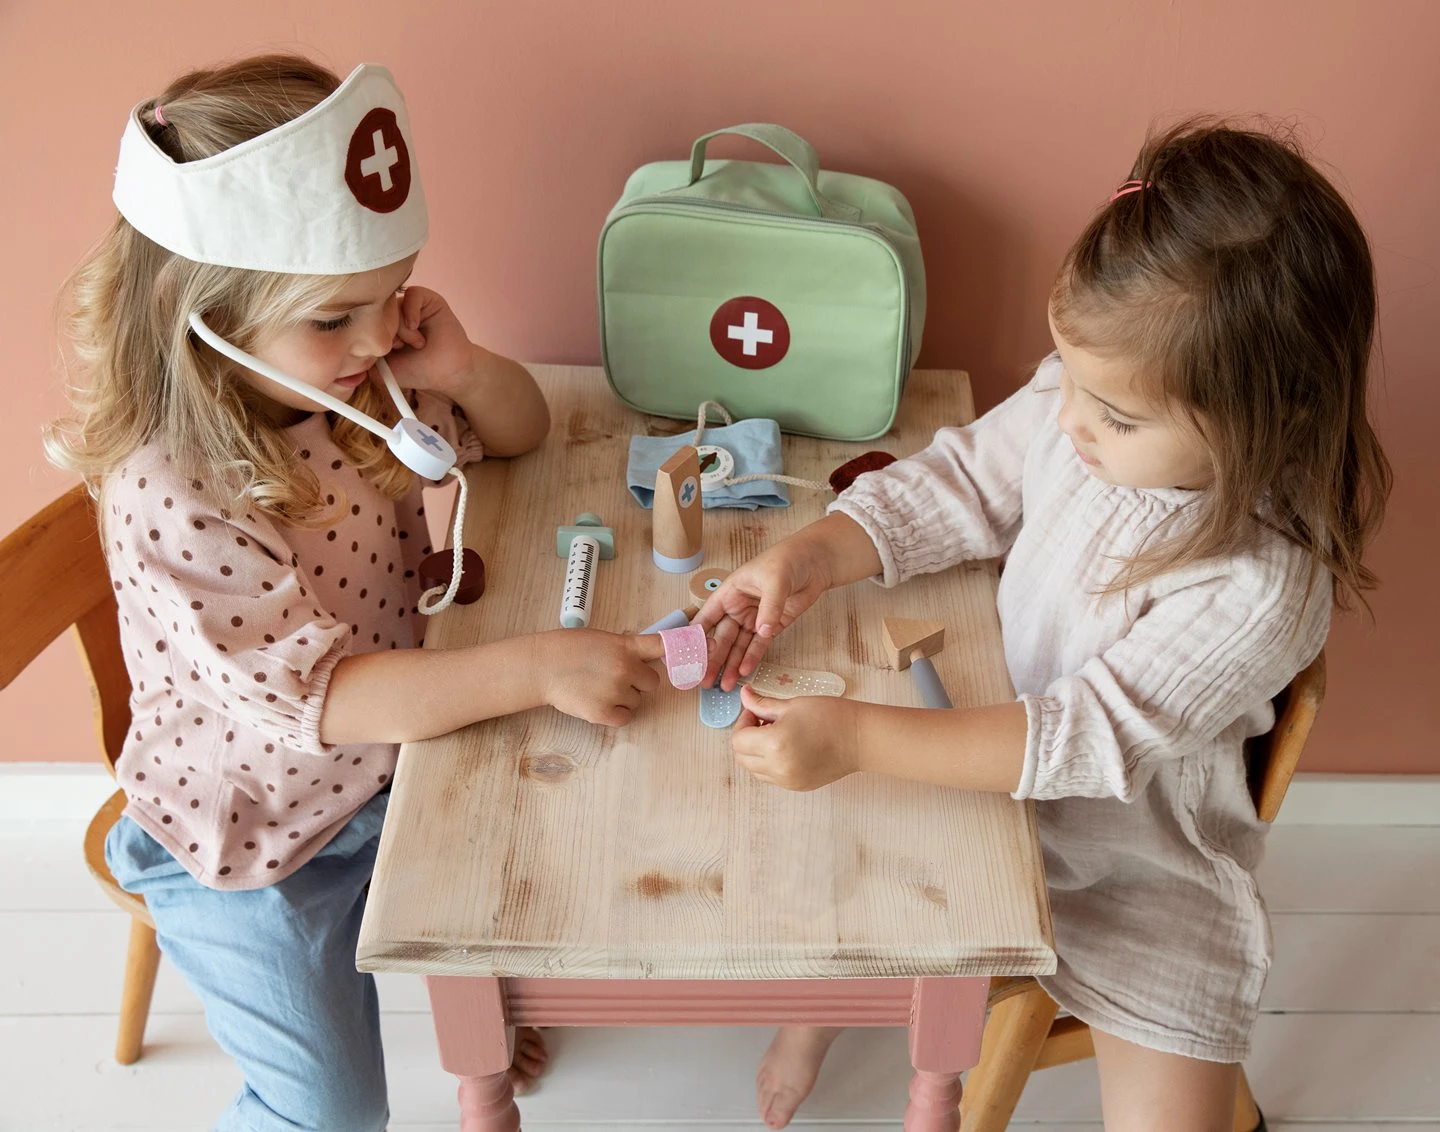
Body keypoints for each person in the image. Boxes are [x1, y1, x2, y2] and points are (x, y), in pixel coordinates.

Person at [696, 120, 1391, 1132]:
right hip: (972, 757)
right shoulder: (1089, 401)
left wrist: (854, 739)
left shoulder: (1257, 582)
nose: (1069, 421)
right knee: (831, 865)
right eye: (1069, 377)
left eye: (1116, 417)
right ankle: (820, 1011)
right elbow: (967, 479)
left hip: (1132, 869)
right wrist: (815, 553)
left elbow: (1086, 741)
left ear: (1268, 416)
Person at [47, 54, 663, 1132]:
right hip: (261, 836)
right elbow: (326, 699)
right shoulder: (172, 491)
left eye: (390, 297)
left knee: (557, 865)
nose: (380, 339)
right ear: (203, 318)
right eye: (337, 316)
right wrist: (537, 667)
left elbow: (524, 433)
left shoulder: (353, 385)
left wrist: (459, 370)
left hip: (395, 772)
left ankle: (471, 998)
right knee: (330, 1114)